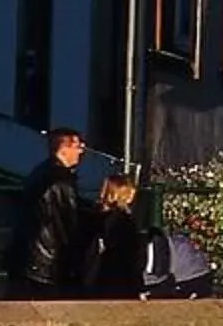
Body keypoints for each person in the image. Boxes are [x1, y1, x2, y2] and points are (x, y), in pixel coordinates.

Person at [10, 128, 85, 299]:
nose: (81, 151)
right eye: (78, 146)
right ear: (64, 149)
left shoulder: (42, 172)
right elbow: (66, 224)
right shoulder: (61, 181)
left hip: (30, 256)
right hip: (47, 261)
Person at [87, 174, 144, 298]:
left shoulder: (98, 217)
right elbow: (132, 255)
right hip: (121, 279)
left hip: (100, 278)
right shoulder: (124, 221)